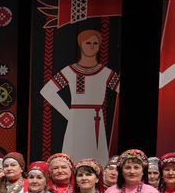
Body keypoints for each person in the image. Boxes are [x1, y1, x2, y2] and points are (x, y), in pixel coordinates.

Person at [38, 29, 120, 164]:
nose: (92, 46)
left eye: (95, 43)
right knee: (73, 156)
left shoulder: (105, 72)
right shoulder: (70, 71)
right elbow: (47, 90)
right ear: (81, 44)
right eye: (88, 43)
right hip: (76, 119)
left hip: (96, 118)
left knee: (98, 159)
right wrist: (68, 113)